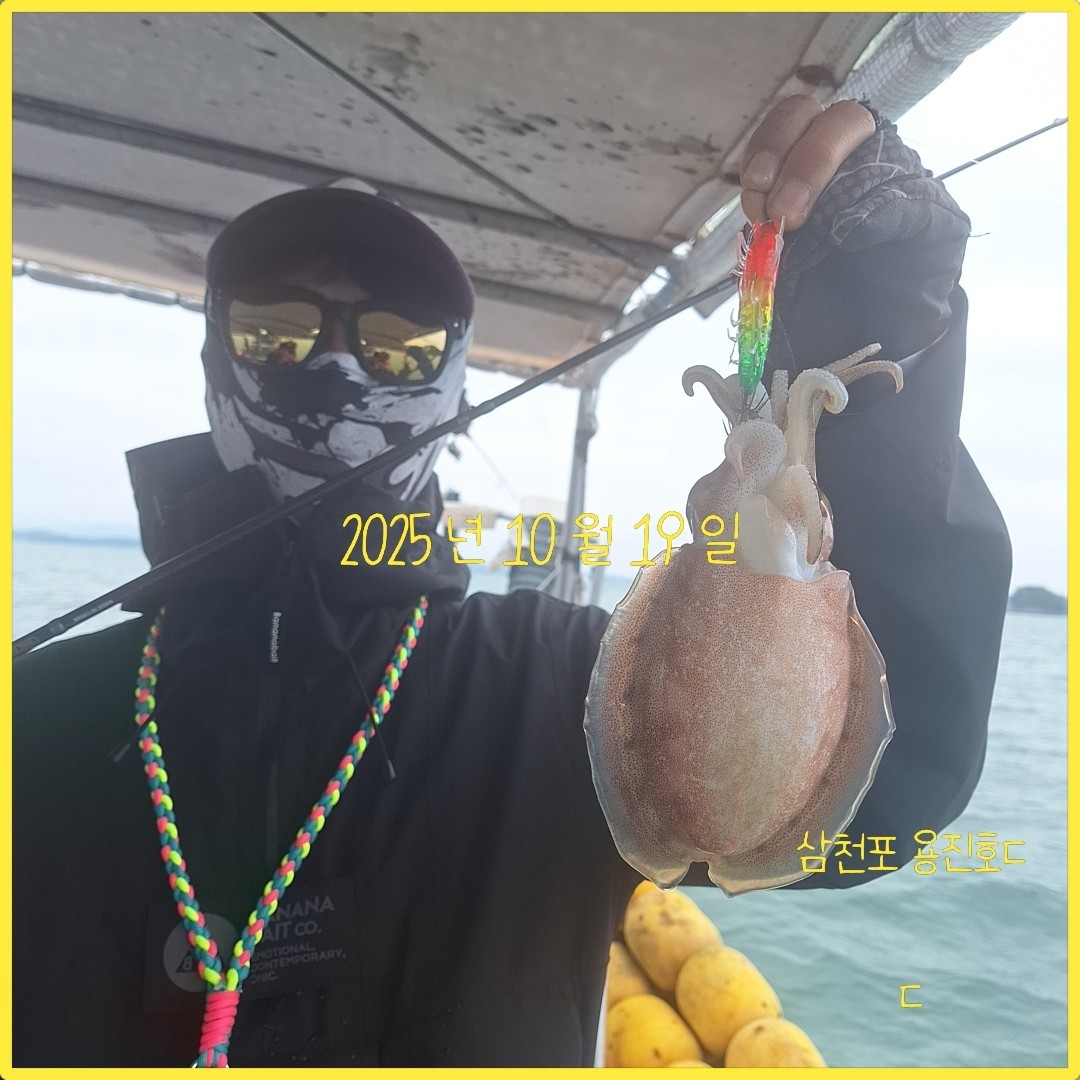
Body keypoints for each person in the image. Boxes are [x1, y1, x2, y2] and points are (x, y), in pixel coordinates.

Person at [12, 97, 1011, 1067]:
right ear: (212, 354)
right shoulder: (35, 715)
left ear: (453, 383)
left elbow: (881, 790)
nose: (335, 368)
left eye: (396, 343)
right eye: (274, 330)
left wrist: (880, 317)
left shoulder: (559, 690)